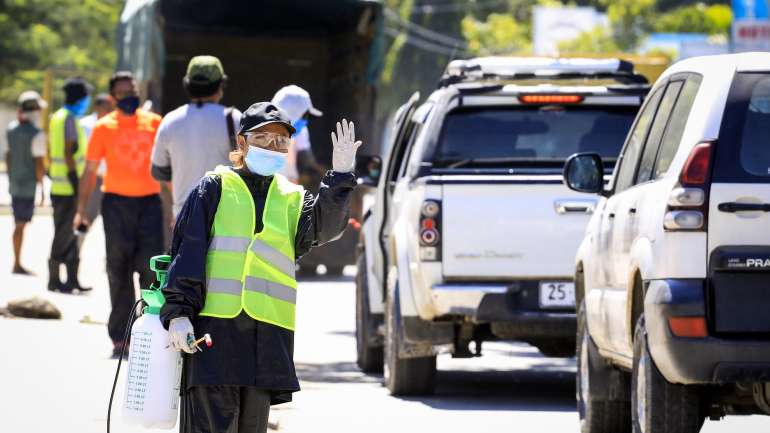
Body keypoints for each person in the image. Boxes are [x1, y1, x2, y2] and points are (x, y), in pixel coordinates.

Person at [160, 102, 360, 433]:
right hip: (214, 336)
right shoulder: (214, 188)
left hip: (265, 341)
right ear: (242, 144)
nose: (274, 147)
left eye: (282, 141)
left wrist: (339, 179)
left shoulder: (293, 198)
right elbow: (188, 251)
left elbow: (326, 227)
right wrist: (179, 312)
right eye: (265, 139)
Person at [74, 71, 164, 358]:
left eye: (132, 90)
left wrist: (175, 208)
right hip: (116, 204)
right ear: (113, 97)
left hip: (150, 204)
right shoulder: (103, 127)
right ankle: (121, 337)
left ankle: (151, 332)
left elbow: (166, 169)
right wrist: (81, 211)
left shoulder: (154, 123)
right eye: (123, 93)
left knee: (151, 269)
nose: (129, 96)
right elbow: (90, 172)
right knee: (119, 269)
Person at [151, 55, 241, 217]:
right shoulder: (234, 119)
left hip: (184, 214)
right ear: (220, 85)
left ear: (187, 85)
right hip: (226, 217)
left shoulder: (170, 121)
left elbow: (159, 171)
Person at [48, 77, 93, 293]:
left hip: (60, 186)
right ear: (79, 97)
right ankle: (55, 279)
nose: (88, 101)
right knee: (64, 234)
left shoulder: (58, 116)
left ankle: (71, 279)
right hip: (67, 187)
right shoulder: (67, 119)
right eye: (86, 96)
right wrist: (76, 182)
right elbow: (68, 152)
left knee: (71, 233)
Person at [6, 91, 47, 275]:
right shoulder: (37, 134)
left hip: (15, 183)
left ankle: (17, 262)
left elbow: (8, 156)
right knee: (20, 225)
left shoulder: (11, 129)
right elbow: (39, 164)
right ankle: (17, 263)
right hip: (27, 185)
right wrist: (42, 188)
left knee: (19, 222)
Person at [271, 85, 326, 185]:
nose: (305, 121)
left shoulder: (294, 135)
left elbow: (293, 175)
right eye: (304, 115)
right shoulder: (262, 142)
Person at [78, 93, 115, 241]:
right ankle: (75, 254)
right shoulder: (85, 125)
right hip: (93, 180)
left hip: (111, 181)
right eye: (107, 107)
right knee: (85, 219)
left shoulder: (113, 124)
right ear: (98, 107)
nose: (109, 110)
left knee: (113, 224)